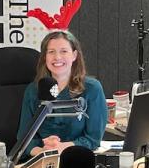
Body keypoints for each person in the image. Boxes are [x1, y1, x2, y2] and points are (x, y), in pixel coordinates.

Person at [17, 24, 107, 158]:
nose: (57, 57)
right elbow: (23, 141)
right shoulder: (33, 90)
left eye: (64, 51)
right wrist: (44, 152)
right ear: (45, 57)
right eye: (51, 52)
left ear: (74, 55)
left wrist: (62, 148)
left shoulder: (92, 89)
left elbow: (93, 139)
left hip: (77, 158)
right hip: (42, 160)